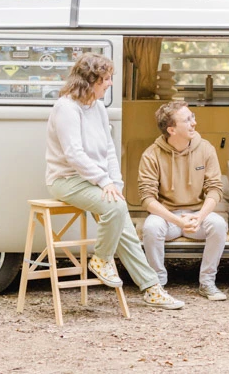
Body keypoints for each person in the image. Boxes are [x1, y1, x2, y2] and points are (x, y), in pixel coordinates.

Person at [45, 53, 184, 310]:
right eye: (106, 79)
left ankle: (152, 288)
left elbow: (109, 149)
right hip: (67, 180)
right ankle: (101, 259)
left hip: (96, 181)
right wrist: (102, 180)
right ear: (90, 80)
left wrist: (115, 183)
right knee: (116, 209)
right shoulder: (66, 108)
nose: (110, 83)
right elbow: (73, 154)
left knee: (124, 225)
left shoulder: (97, 107)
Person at [138, 101, 228, 301]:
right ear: (171, 129)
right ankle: (157, 285)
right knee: (151, 228)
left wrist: (200, 216)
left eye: (192, 117)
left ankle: (207, 283)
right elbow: (147, 198)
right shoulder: (151, 155)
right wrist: (177, 221)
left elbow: (215, 189)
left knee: (219, 225)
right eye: (187, 120)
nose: (194, 123)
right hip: (167, 217)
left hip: (197, 215)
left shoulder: (205, 149)